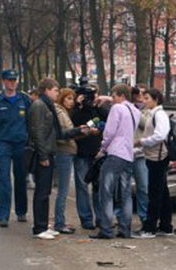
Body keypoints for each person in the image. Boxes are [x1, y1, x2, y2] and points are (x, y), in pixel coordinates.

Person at [28, 78, 86, 240]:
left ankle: (43, 225)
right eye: (55, 90)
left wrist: (77, 131)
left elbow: (58, 133)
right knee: (41, 192)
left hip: (49, 152)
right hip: (44, 154)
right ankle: (39, 228)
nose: (58, 93)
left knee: (46, 191)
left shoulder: (47, 106)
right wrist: (43, 155)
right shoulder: (40, 106)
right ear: (46, 90)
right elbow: (38, 132)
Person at [0, 69, 32, 227]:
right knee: (4, 179)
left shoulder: (24, 99)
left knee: (21, 178)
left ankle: (21, 211)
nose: (12, 82)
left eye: (14, 79)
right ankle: (2, 215)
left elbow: (31, 122)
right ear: (3, 81)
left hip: (21, 144)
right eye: (9, 80)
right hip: (3, 143)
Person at [91, 83, 140, 240]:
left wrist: (102, 148)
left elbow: (110, 131)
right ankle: (125, 228)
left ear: (122, 96)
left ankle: (106, 229)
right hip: (128, 154)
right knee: (125, 193)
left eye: (114, 96)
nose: (112, 100)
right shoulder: (135, 111)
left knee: (106, 192)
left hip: (115, 153)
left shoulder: (117, 109)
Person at [134, 88, 174, 239]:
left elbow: (159, 135)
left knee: (155, 193)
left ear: (156, 99)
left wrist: (142, 142)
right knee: (162, 192)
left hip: (158, 157)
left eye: (147, 98)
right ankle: (165, 225)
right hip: (153, 156)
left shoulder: (160, 115)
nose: (144, 101)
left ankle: (150, 228)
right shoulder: (154, 114)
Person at [71, 90, 109, 230]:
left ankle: (100, 218)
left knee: (99, 187)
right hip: (81, 152)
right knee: (82, 186)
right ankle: (86, 219)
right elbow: (71, 123)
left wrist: (98, 105)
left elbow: (109, 118)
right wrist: (77, 105)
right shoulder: (77, 110)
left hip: (97, 152)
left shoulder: (98, 110)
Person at [53, 88, 83, 234]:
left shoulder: (64, 113)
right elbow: (62, 134)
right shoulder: (59, 113)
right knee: (63, 189)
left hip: (67, 151)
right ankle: (59, 222)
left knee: (63, 189)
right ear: (62, 99)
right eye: (68, 99)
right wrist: (77, 131)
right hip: (64, 152)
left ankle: (60, 221)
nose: (71, 102)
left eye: (73, 99)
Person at [130, 84, 149, 228]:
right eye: (137, 93)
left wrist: (136, 110)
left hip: (140, 154)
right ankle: (123, 216)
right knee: (122, 187)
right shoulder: (127, 108)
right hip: (125, 152)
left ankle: (144, 217)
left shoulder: (149, 111)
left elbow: (146, 125)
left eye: (143, 94)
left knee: (143, 186)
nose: (140, 97)